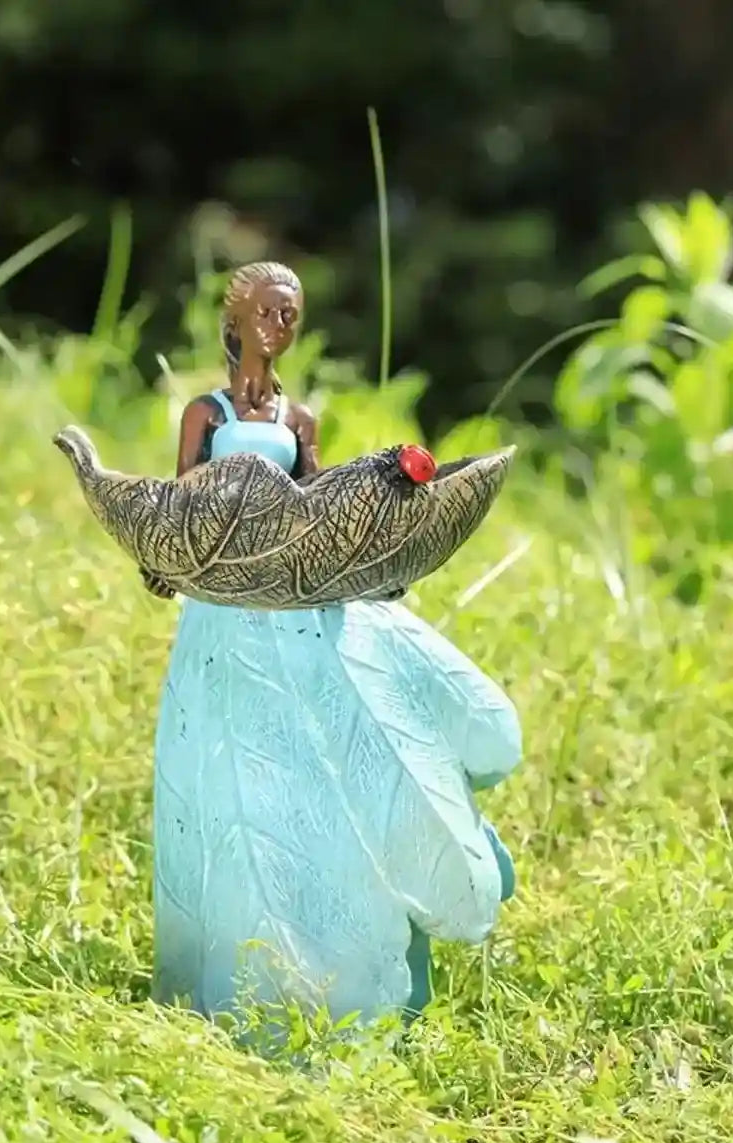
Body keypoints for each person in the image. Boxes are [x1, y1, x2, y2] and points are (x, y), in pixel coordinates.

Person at [149, 261, 521, 1029]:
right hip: (224, 612)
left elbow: (314, 507)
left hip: (293, 614)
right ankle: (225, 968)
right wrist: (163, 557)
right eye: (268, 311)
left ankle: (337, 949)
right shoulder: (206, 413)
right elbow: (181, 495)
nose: (279, 325)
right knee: (228, 768)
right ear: (238, 318)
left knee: (309, 759)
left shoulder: (300, 420)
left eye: (291, 313)